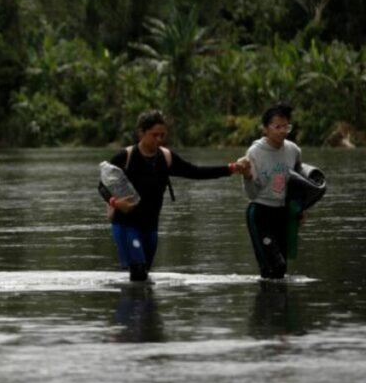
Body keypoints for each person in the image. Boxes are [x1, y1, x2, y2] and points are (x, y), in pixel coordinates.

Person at [98, 110, 247, 282]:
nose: (159, 140)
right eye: (154, 135)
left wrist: (230, 169)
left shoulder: (166, 157)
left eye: (162, 135)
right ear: (141, 132)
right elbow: (102, 186)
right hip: (126, 225)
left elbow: (196, 172)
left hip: (150, 226)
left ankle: (143, 308)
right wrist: (115, 202)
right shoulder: (126, 157)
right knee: (138, 272)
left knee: (143, 275)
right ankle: (131, 306)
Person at [238, 102, 306, 279]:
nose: (283, 131)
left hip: (282, 213)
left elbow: (298, 183)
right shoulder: (254, 152)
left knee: (281, 271)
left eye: (286, 126)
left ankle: (273, 305)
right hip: (260, 214)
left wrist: (298, 211)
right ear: (265, 129)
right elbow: (252, 194)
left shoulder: (293, 150)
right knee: (274, 265)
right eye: (277, 127)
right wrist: (246, 175)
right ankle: (266, 303)